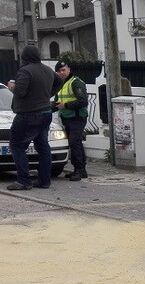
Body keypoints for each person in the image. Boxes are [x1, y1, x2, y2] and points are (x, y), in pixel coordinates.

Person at [7, 45, 61, 190]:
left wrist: (12, 86)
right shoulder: (48, 70)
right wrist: (48, 94)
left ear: (25, 57)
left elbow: (20, 92)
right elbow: (59, 81)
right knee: (43, 146)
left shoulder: (25, 71)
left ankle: (23, 181)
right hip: (45, 113)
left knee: (17, 145)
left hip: (28, 114)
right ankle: (44, 181)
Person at [53, 60, 89, 181]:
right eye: (59, 71)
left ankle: (78, 170)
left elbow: (83, 101)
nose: (61, 73)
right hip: (67, 118)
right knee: (75, 143)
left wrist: (66, 105)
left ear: (69, 70)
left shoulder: (76, 82)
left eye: (63, 70)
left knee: (74, 142)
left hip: (77, 117)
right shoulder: (60, 84)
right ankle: (81, 170)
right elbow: (57, 103)